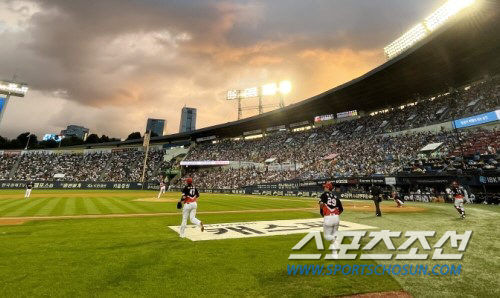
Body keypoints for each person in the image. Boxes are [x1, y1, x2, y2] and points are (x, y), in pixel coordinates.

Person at [319, 182, 343, 259]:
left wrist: (323, 212)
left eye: (325, 187)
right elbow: (341, 209)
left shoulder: (324, 195)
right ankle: (335, 254)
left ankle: (334, 238)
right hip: (336, 217)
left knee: (327, 237)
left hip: (328, 217)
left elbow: (321, 204)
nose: (324, 188)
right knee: (334, 234)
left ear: (328, 188)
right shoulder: (336, 197)